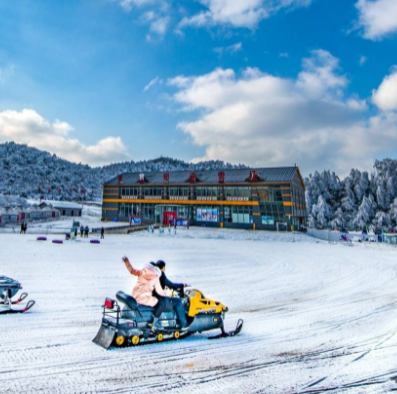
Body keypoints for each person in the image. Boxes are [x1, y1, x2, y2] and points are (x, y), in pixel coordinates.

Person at [122, 257, 187, 331]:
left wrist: (126, 262)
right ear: (163, 267)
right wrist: (182, 285)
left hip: (143, 296)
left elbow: (132, 271)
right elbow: (170, 285)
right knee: (178, 302)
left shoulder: (144, 273)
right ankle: (183, 324)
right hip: (157, 298)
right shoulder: (160, 275)